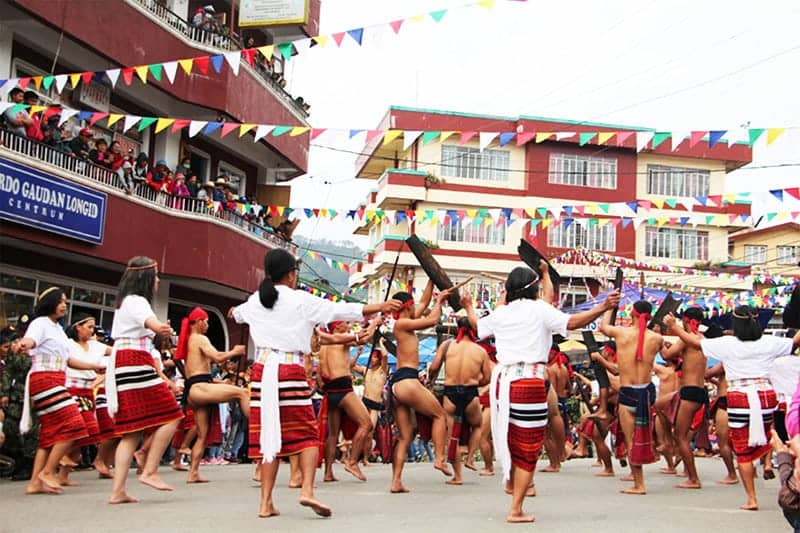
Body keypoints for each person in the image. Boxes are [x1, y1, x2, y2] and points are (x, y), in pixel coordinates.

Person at [229, 248, 401, 518]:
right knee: (307, 434)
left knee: (268, 435)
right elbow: (338, 310)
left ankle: (265, 503)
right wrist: (380, 306)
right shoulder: (299, 300)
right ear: (290, 275)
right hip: (290, 370)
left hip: (262, 372)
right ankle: (307, 490)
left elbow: (235, 314)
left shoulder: (255, 300)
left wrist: (239, 312)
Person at [466, 261, 619, 523]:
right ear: (534, 287)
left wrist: (468, 306)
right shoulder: (540, 310)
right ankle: (516, 509)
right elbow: (572, 322)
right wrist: (602, 307)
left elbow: (478, 326)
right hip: (528, 382)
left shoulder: (501, 312)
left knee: (510, 437)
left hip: (502, 382)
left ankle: (512, 483)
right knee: (528, 445)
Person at [665, 306, 800, 510]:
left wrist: (674, 326)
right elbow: (795, 341)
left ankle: (752, 499)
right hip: (765, 395)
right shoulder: (770, 342)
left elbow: (696, 342)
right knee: (773, 434)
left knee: (742, 449)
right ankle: (772, 462)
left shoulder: (727, 344)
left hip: (738, 397)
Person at [106, 257, 184, 504]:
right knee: (172, 415)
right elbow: (152, 325)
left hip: (125, 360)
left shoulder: (125, 302)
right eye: (156, 275)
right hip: (134, 360)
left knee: (131, 431)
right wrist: (164, 329)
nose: (158, 280)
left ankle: (118, 490)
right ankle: (150, 470)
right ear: (146, 278)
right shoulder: (138, 301)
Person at [15, 288, 104, 495]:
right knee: (75, 423)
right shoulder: (40, 323)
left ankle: (34, 483)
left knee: (49, 434)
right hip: (44, 379)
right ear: (50, 303)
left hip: (56, 378)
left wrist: (92, 366)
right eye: (60, 301)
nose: (64, 305)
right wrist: (23, 344)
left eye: (65, 301)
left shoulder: (58, 329)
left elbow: (68, 360)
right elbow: (31, 341)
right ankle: (47, 472)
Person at [389, 280, 454, 493]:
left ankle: (396, 481)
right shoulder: (401, 324)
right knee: (440, 416)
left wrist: (430, 279)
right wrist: (440, 301)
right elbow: (433, 318)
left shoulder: (406, 320)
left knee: (405, 436)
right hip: (407, 381)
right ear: (407, 306)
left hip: (398, 385)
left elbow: (424, 303)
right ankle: (440, 459)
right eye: (412, 305)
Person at [175, 307, 247, 484]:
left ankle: (193, 473)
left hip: (195, 390)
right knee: (242, 393)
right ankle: (260, 427)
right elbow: (217, 357)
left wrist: (220, 383)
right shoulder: (199, 338)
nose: (207, 325)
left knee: (202, 434)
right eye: (206, 321)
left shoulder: (191, 340)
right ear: (199, 322)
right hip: (199, 389)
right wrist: (235, 352)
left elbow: (202, 370)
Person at [599, 299, 661, 495]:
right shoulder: (656, 338)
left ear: (632, 314)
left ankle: (639, 483)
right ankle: (641, 479)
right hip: (647, 392)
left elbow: (603, 327)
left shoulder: (621, 333)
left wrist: (609, 308)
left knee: (630, 438)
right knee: (644, 434)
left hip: (628, 392)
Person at [428, 315, 491, 485]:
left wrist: (431, 379)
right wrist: (475, 382)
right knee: (477, 425)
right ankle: (470, 456)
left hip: (450, 392)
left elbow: (433, 367)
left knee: (451, 436)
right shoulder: (480, 350)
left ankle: (458, 476)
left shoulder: (447, 346)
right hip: (470, 392)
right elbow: (488, 377)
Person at [318, 319, 378, 482]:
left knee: (333, 435)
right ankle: (352, 461)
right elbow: (364, 338)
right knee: (366, 424)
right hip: (342, 387)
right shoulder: (340, 339)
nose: (349, 325)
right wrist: (375, 323)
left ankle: (328, 472)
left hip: (329, 390)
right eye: (345, 322)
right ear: (337, 327)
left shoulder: (323, 343)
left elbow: (319, 371)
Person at [60, 313, 111, 486]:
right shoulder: (67, 344)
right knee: (83, 428)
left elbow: (117, 352)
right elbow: (68, 362)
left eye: (93, 327)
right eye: (89, 327)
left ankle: (63, 476)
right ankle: (58, 457)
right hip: (70, 390)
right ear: (77, 327)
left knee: (86, 435)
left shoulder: (96, 346)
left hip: (88, 392)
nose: (92, 330)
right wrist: (93, 367)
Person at [661, 307, 708, 489]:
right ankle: (687, 468)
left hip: (690, 391)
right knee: (662, 409)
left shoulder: (688, 339)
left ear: (686, 321)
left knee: (680, 437)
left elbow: (666, 355)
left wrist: (658, 343)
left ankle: (693, 478)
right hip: (696, 391)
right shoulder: (700, 339)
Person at [352, 338, 389, 466]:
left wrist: (381, 343)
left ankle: (366, 458)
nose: (372, 359)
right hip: (364, 402)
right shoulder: (366, 370)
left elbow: (385, 355)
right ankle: (357, 457)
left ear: (378, 360)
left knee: (369, 432)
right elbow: (351, 366)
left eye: (374, 357)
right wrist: (357, 354)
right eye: (371, 357)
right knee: (361, 431)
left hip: (375, 405)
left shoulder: (382, 371)